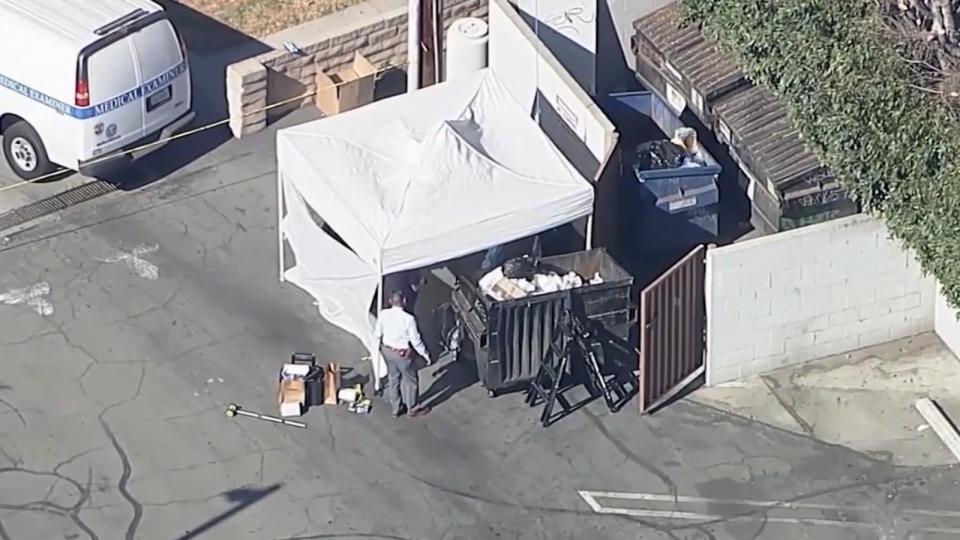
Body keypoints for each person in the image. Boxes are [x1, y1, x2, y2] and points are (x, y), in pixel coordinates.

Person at [374, 290, 432, 417]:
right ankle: (412, 408)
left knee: (393, 378)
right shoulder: (409, 319)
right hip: (402, 353)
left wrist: (377, 349)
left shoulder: (383, 314)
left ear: (390, 301)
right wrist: (425, 355)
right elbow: (416, 340)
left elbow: (377, 334)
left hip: (387, 350)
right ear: (404, 301)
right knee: (411, 379)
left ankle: (396, 407)